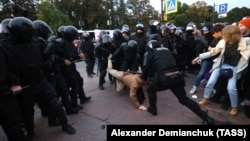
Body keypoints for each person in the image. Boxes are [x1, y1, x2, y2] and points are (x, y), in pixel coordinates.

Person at [6, 17, 76, 140]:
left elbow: (43, 58)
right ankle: (31, 132)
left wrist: (48, 57)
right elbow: (7, 68)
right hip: (24, 85)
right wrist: (14, 82)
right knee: (27, 112)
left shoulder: (34, 43)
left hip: (40, 79)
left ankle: (64, 124)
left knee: (55, 102)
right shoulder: (5, 47)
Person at [140, 40, 215, 125]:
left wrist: (143, 77)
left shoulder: (149, 53)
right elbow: (176, 64)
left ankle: (153, 110)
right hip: (177, 78)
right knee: (184, 99)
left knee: (150, 89)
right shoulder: (167, 51)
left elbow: (145, 70)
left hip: (163, 80)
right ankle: (207, 118)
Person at [193, 25, 250, 116]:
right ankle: (206, 98)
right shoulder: (223, 42)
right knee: (210, 82)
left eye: (225, 34)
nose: (223, 35)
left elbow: (247, 57)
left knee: (231, 88)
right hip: (220, 65)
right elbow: (213, 52)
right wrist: (199, 57)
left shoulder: (245, 43)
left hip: (234, 67)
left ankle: (235, 106)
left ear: (232, 35)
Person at [0, 18, 26, 141]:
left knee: (14, 128)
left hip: (4, 94)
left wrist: (15, 83)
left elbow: (12, 66)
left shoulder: (2, 47)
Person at [189, 23, 225, 94]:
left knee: (214, 76)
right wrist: (199, 57)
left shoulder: (221, 40)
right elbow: (203, 49)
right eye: (204, 31)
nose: (205, 32)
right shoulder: (205, 38)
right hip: (207, 58)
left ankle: (213, 88)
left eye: (207, 31)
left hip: (216, 60)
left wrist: (212, 49)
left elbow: (214, 51)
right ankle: (195, 86)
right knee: (201, 73)